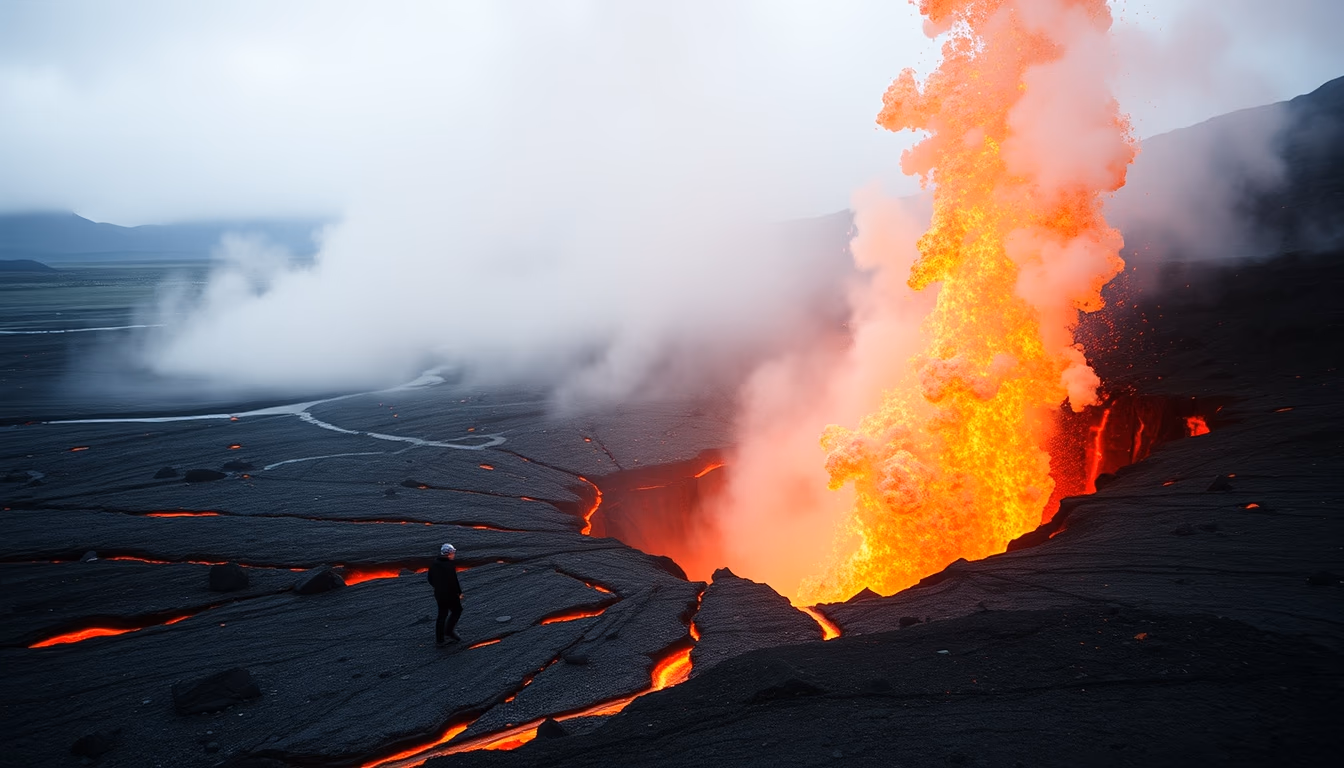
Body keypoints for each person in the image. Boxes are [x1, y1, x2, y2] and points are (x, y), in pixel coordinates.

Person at [427, 543, 463, 644]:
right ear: (449, 554)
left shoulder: (434, 563)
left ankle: (440, 640)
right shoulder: (449, 565)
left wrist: (438, 587)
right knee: (457, 611)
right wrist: (459, 593)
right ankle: (449, 631)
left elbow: (430, 579)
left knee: (442, 615)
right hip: (450, 595)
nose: (454, 555)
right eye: (453, 553)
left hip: (439, 594)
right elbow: (454, 581)